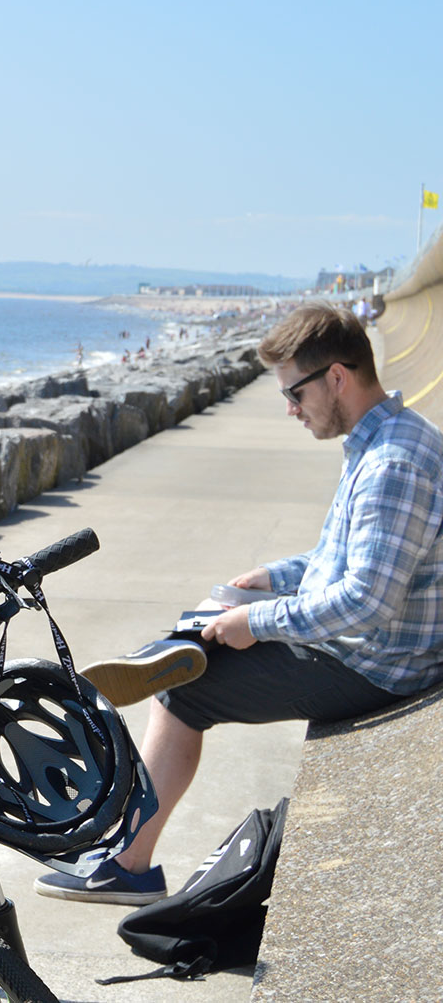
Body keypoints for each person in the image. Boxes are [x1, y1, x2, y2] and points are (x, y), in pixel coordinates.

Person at [39, 302, 443, 905]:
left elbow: (364, 603)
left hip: (378, 666)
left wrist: (256, 622)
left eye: (295, 393)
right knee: (197, 644)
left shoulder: (393, 461)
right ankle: (126, 842)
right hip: (374, 649)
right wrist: (272, 577)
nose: (290, 409)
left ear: (336, 377)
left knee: (185, 689)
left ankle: (129, 865)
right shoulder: (382, 440)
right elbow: (343, 561)